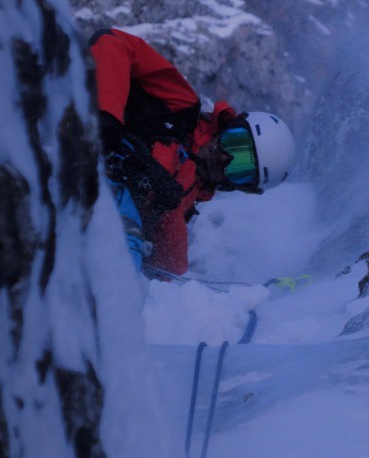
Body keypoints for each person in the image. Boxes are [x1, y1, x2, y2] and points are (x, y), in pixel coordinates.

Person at [89, 27, 295, 276]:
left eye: (239, 167)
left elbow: (169, 272)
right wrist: (107, 118)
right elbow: (112, 41)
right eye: (235, 144)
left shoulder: (178, 205)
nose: (223, 157)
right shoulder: (180, 107)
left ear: (236, 185)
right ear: (228, 126)